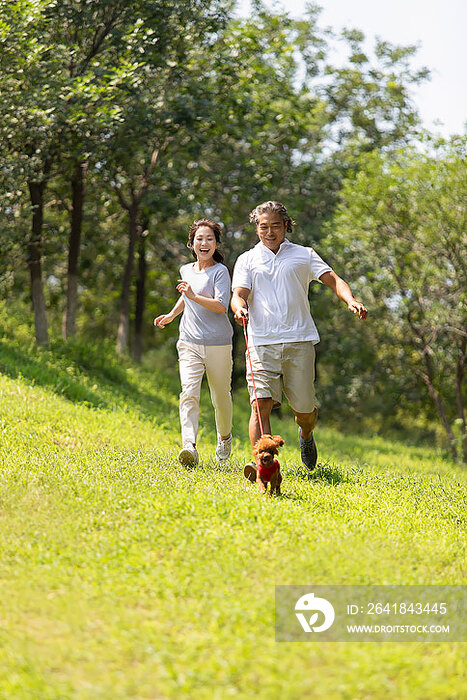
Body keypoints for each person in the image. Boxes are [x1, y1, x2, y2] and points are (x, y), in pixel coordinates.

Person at [231, 200, 367, 477]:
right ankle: (263, 465)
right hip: (260, 342)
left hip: (299, 341)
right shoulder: (247, 259)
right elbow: (238, 294)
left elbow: (334, 280)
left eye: (275, 226)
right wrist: (239, 307)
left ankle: (305, 433)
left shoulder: (304, 255)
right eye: (263, 227)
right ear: (256, 227)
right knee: (260, 405)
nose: (269, 232)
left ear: (286, 226)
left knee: (305, 410)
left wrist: (351, 300)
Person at [154, 218, 233, 467]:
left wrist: (193, 295)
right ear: (192, 244)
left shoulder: (220, 272)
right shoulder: (186, 270)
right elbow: (185, 298)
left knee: (220, 397)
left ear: (217, 244)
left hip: (218, 344)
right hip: (188, 341)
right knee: (188, 392)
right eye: (199, 238)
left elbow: (221, 307)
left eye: (209, 238)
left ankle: (224, 438)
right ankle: (189, 445)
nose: (204, 243)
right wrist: (172, 314)